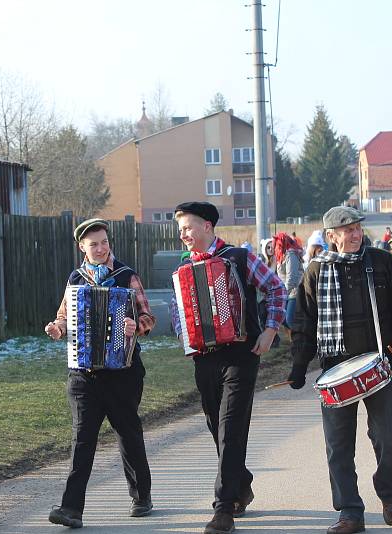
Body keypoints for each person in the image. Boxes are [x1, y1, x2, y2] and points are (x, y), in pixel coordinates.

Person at [288, 206, 392, 534]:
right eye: (347, 230)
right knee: (338, 445)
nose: (355, 234)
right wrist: (299, 363)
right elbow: (304, 322)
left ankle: (388, 491)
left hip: (381, 363)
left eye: (357, 228)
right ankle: (350, 512)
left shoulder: (380, 263)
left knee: (389, 438)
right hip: (335, 368)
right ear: (331, 236)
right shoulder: (316, 271)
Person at [171, 201, 286, 534]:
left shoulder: (239, 257)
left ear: (208, 226)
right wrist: (186, 337)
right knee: (216, 427)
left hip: (241, 354)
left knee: (231, 427)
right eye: (180, 229)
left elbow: (275, 288)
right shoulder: (183, 268)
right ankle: (242, 484)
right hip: (204, 358)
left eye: (188, 227)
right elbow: (180, 313)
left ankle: (223, 508)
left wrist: (270, 329)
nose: (183, 234)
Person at [45, 218, 155, 528]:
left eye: (104, 242)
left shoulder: (126, 276)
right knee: (83, 437)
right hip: (83, 374)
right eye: (94, 243)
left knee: (128, 433)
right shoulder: (75, 279)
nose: (101, 248)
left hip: (123, 372)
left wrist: (136, 325)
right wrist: (58, 328)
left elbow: (147, 317)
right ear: (82, 247)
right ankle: (71, 509)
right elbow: (64, 316)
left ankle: (141, 496)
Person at [272, 232, 304, 333]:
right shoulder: (282, 256)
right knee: (283, 319)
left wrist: (284, 293)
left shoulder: (290, 254)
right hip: (287, 292)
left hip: (294, 292)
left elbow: (292, 276)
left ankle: (302, 339)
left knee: (290, 320)